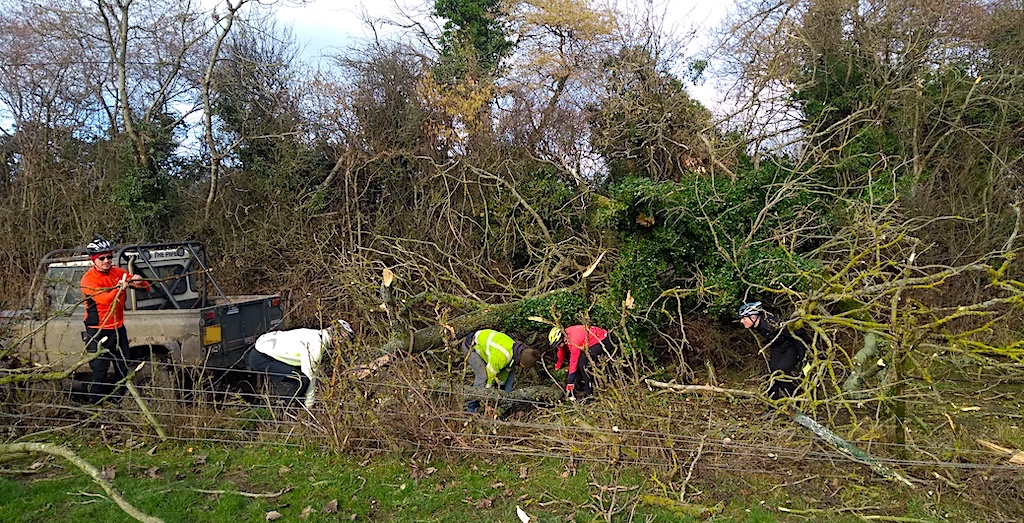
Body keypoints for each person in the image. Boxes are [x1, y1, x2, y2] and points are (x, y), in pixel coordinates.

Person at [80, 235, 151, 403]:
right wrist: (120, 288)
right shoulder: (88, 279)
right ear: (94, 260)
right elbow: (104, 299)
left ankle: (117, 403)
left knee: (122, 368)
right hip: (97, 330)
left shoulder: (117, 272)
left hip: (118, 329)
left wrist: (139, 281)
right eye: (102, 258)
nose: (106, 261)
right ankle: (94, 406)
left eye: (109, 257)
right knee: (100, 371)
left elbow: (146, 287)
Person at [247, 319, 354, 408]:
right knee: (301, 380)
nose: (342, 344)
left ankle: (295, 406)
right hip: (262, 357)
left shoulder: (316, 334)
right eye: (343, 340)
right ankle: (286, 411)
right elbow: (310, 376)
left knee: (300, 380)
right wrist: (309, 405)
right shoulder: (315, 346)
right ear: (336, 337)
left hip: (265, 348)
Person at [737, 301, 807, 400]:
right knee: (772, 375)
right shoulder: (758, 323)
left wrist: (802, 354)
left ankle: (796, 403)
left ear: (753, 317)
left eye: (744, 318)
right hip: (778, 346)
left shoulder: (771, 323)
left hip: (792, 346)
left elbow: (796, 333)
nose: (741, 321)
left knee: (780, 374)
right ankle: (773, 405)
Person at [461, 329, 541, 413]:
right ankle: (472, 409)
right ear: (522, 363)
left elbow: (504, 373)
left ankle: (505, 403)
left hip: (489, 349)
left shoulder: (516, 353)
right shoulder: (502, 357)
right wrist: (486, 400)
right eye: (523, 366)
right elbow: (490, 376)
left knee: (512, 372)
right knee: (482, 377)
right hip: (471, 346)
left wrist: (501, 388)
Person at [548, 324, 612, 400]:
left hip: (602, 340)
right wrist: (557, 366)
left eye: (559, 344)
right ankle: (580, 384)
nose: (559, 346)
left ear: (563, 339)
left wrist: (570, 382)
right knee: (579, 360)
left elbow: (573, 362)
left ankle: (589, 394)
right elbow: (561, 351)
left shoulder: (574, 340)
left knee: (583, 363)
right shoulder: (565, 336)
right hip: (589, 341)